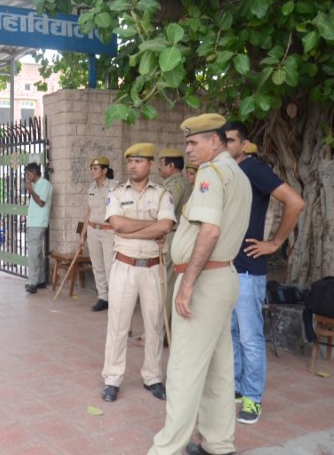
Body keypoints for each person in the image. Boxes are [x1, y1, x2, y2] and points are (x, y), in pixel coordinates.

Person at [149, 114, 252, 455]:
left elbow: (209, 231)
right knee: (219, 367)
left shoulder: (211, 172)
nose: (188, 149)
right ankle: (218, 443)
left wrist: (188, 284)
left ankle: (166, 448)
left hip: (204, 280)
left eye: (194, 142)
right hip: (223, 277)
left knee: (184, 368)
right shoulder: (237, 172)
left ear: (215, 141)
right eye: (187, 143)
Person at [223, 121, 304, 426]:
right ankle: (237, 386)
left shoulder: (253, 169)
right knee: (230, 334)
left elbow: (295, 202)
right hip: (226, 268)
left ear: (244, 145)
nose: (225, 146)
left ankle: (252, 398)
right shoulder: (226, 172)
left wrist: (275, 243)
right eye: (222, 141)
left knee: (250, 337)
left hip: (247, 269)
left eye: (230, 141)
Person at [101, 144, 175, 404]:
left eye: (139, 161)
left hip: (153, 267)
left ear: (151, 164)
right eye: (130, 161)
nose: (133, 165)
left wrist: (134, 230)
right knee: (118, 324)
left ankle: (153, 377)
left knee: (154, 325)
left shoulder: (162, 194)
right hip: (125, 266)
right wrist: (152, 226)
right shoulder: (117, 193)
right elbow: (117, 224)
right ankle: (112, 378)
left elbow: (166, 226)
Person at [158, 148, 193, 327]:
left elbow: (165, 214)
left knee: (167, 284)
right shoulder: (181, 182)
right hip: (176, 236)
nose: (158, 168)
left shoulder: (175, 186)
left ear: (171, 166)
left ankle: (163, 329)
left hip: (172, 236)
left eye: (161, 164)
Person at [80, 156, 117, 312]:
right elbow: (89, 211)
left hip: (108, 231)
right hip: (93, 230)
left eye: (95, 169)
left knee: (110, 267)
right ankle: (103, 297)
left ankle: (115, 299)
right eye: (92, 169)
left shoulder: (115, 187)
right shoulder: (91, 188)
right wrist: (83, 234)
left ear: (104, 171)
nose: (93, 172)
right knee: (97, 266)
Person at [23, 162, 53, 294]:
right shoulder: (34, 185)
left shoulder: (45, 184)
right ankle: (40, 280)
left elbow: (41, 202)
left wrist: (31, 191)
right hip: (33, 222)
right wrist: (31, 189)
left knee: (33, 253)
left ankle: (32, 282)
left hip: (38, 222)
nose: (26, 176)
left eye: (28, 173)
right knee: (38, 253)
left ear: (35, 173)